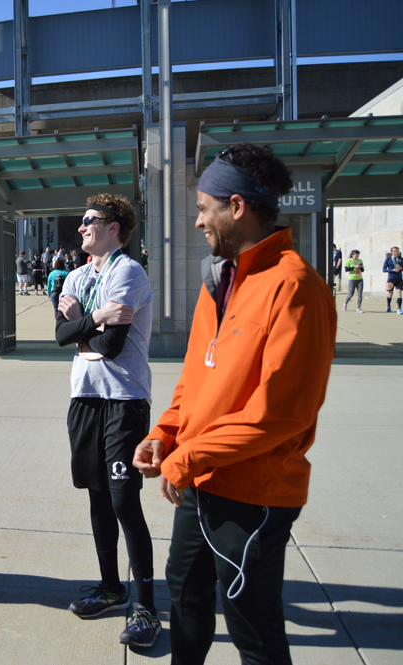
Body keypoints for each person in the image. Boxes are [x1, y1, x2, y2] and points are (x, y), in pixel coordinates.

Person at [133, 143, 337, 665]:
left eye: (204, 208)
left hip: (255, 492)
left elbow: (279, 415)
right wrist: (166, 435)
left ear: (237, 206)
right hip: (201, 477)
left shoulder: (296, 287)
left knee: (252, 625)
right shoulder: (218, 280)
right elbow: (196, 379)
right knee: (184, 592)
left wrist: (185, 460)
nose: (198, 220)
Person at [54, 194, 159, 648]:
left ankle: (147, 609)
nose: (81, 229)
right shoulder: (76, 276)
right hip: (85, 396)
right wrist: (94, 319)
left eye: (89, 221)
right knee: (97, 496)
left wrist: (84, 328)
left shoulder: (128, 272)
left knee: (122, 501)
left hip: (123, 398)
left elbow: (112, 346)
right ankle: (112, 587)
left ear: (114, 226)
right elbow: (61, 336)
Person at [382, 246, 402, 314]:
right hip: (391, 279)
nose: (396, 252)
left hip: (399, 279)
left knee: (399, 293)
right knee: (390, 293)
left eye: (397, 251)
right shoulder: (388, 260)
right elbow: (384, 269)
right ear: (392, 252)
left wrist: (401, 268)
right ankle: (388, 306)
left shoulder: (401, 259)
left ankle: (399, 308)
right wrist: (392, 270)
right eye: (395, 251)